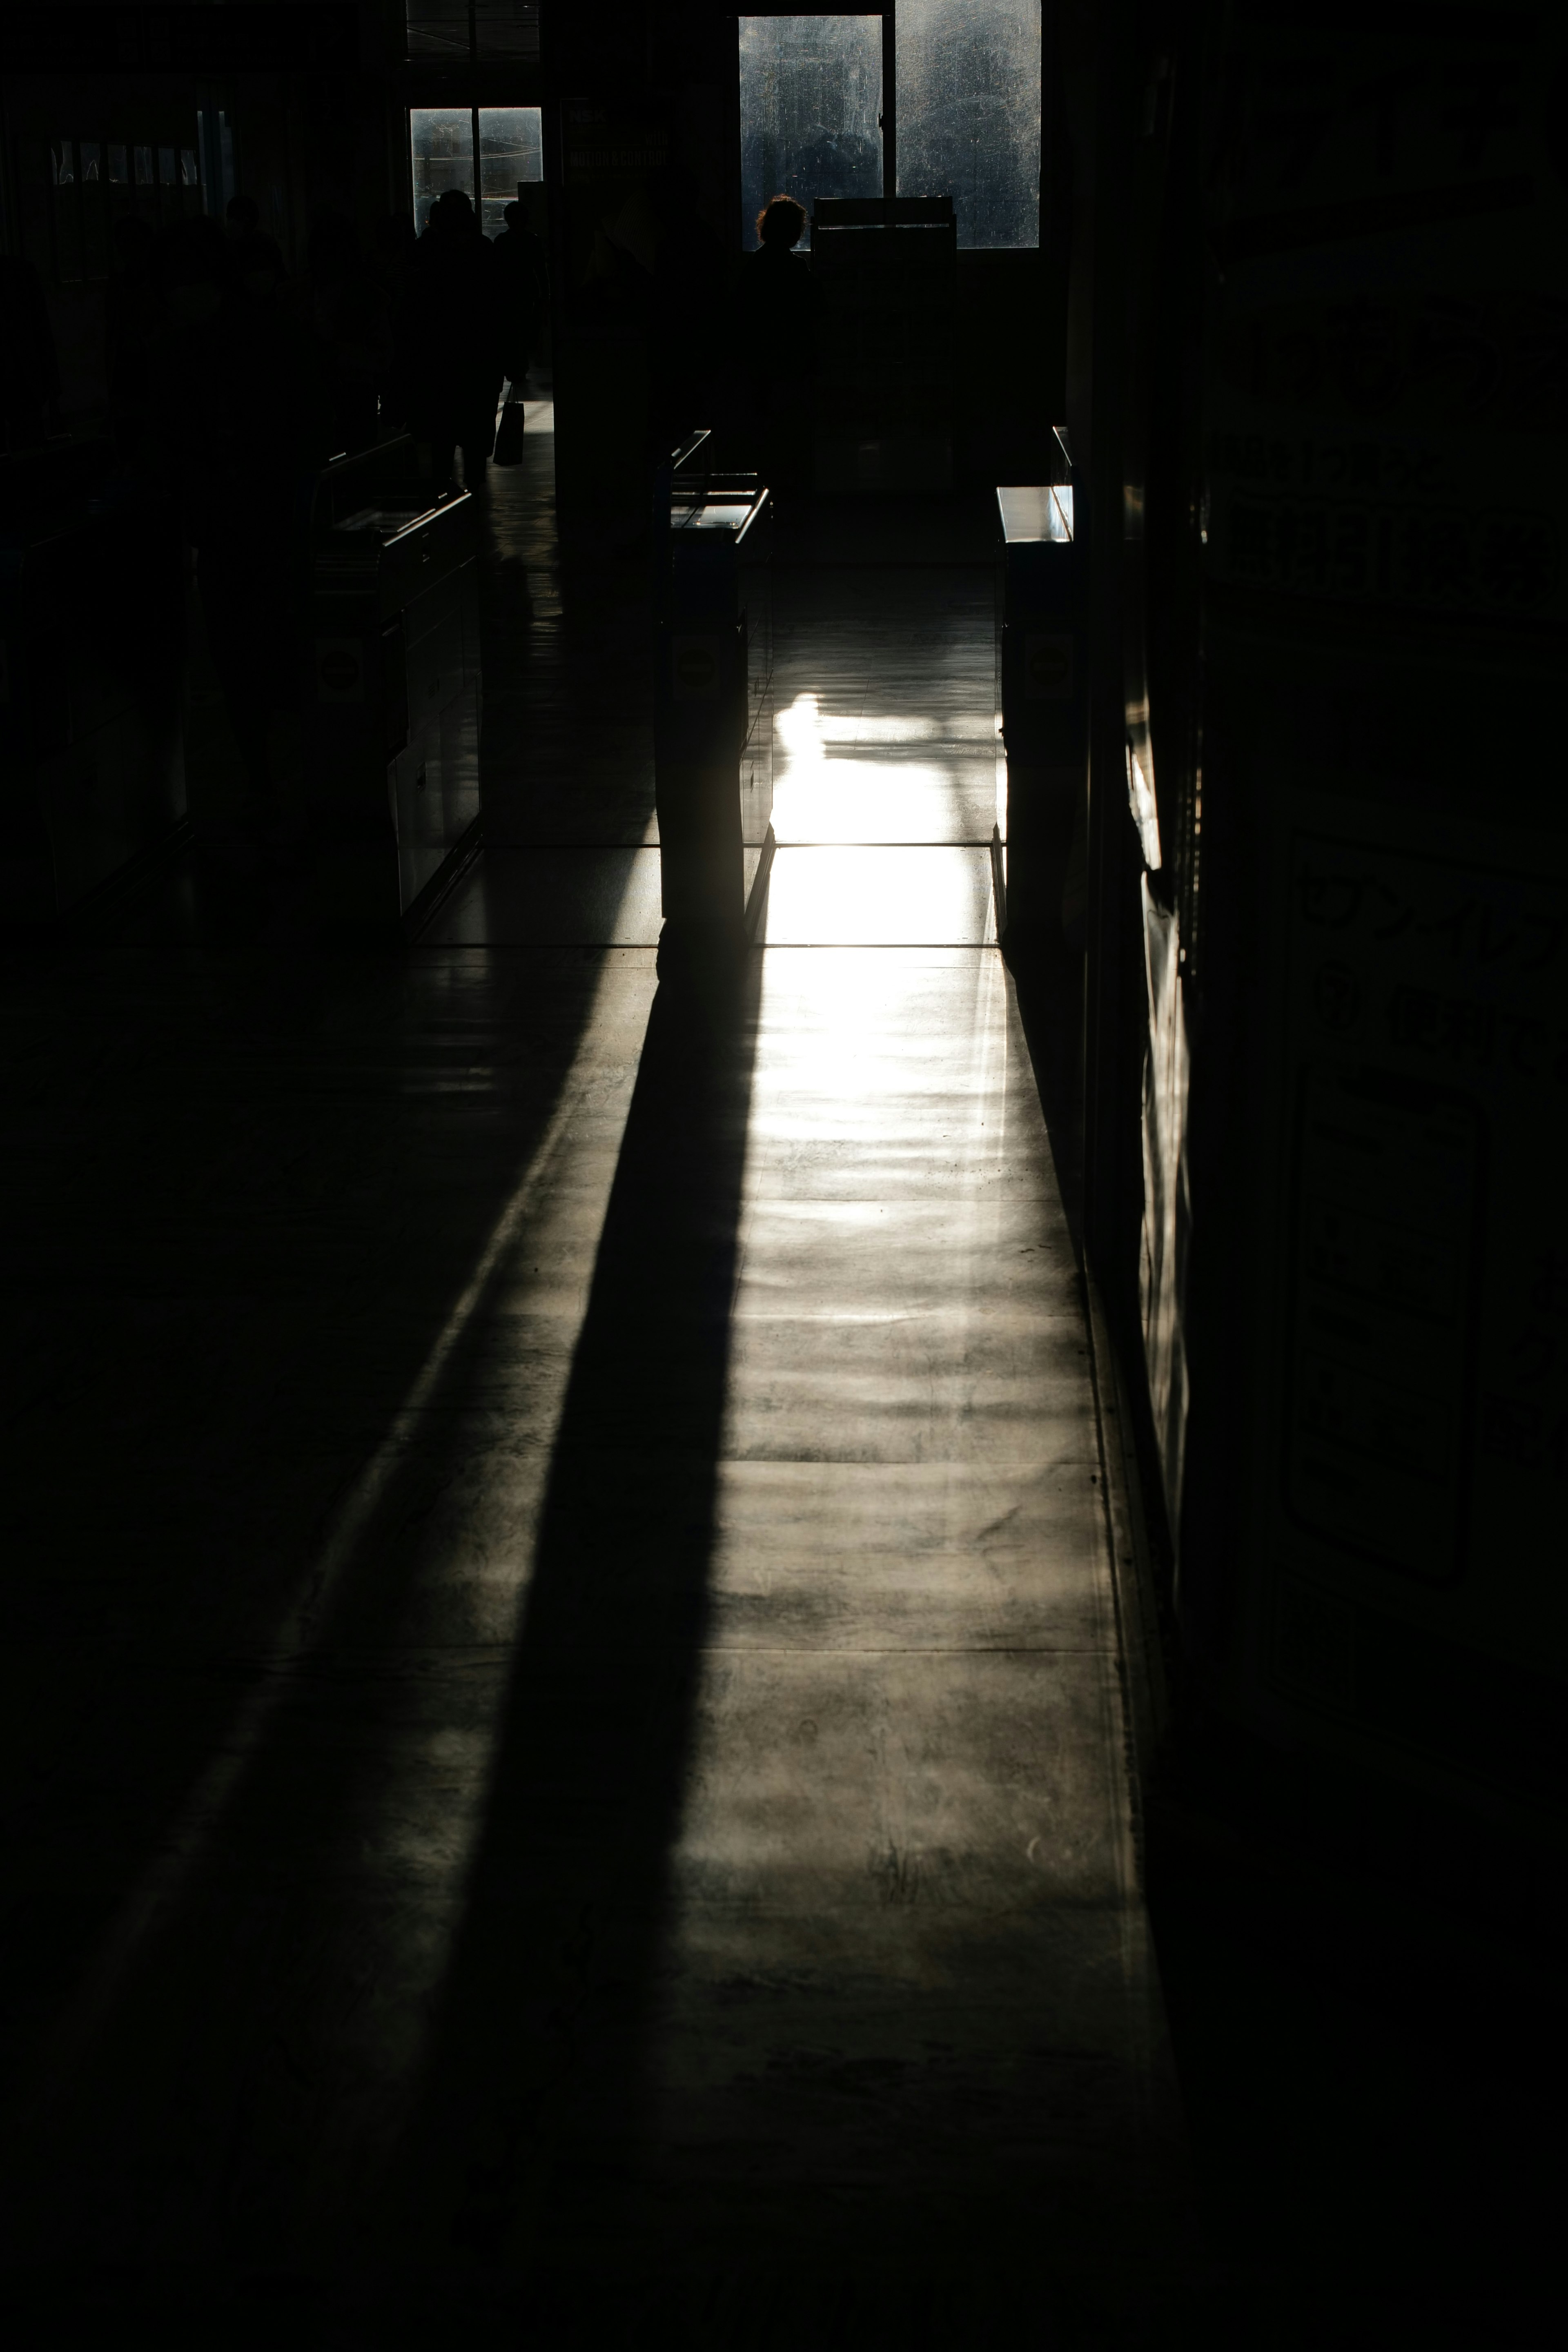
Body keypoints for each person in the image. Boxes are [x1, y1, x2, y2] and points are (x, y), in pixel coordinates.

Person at [403, 187, 506, 486]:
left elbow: (413, 317)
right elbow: (501, 309)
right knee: (475, 441)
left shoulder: (427, 256)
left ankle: (443, 491)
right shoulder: (485, 252)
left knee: (441, 439)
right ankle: (473, 491)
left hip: (438, 363)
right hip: (479, 361)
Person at [734, 194, 822, 504]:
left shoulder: (754, 267)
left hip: (761, 365)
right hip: (792, 363)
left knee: (767, 436)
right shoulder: (796, 268)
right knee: (793, 435)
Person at [490, 198, 548, 396]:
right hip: (526, 293)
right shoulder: (533, 240)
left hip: (506, 294)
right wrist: (544, 294)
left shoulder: (501, 241)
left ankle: (514, 368)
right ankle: (520, 367)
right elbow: (541, 270)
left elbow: (495, 271)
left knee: (510, 333)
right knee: (522, 332)